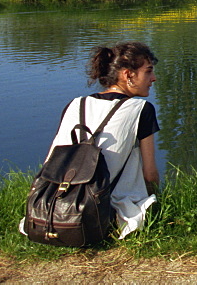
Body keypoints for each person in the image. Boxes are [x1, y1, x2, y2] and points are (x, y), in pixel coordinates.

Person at [24, 42, 160, 239]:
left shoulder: (75, 104)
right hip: (105, 213)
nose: (153, 78)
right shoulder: (141, 109)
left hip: (52, 207)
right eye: (148, 72)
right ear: (128, 75)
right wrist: (158, 199)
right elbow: (150, 174)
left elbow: (50, 164)